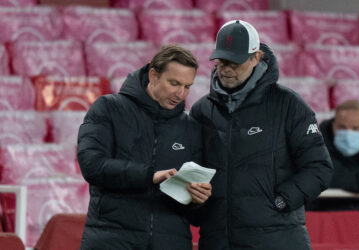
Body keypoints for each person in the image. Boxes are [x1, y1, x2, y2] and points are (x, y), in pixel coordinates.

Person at [190, 20, 334, 250]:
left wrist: (281, 201)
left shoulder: (289, 105)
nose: (226, 69)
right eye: (221, 61)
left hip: (278, 239)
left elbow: (319, 168)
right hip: (218, 241)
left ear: (255, 58)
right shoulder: (201, 111)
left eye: (234, 62)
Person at [77, 45, 212, 250]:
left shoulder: (192, 128)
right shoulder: (108, 108)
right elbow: (92, 165)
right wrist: (150, 176)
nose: (180, 93)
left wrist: (198, 200)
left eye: (187, 86)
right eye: (174, 83)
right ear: (153, 75)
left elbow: (196, 216)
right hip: (112, 241)